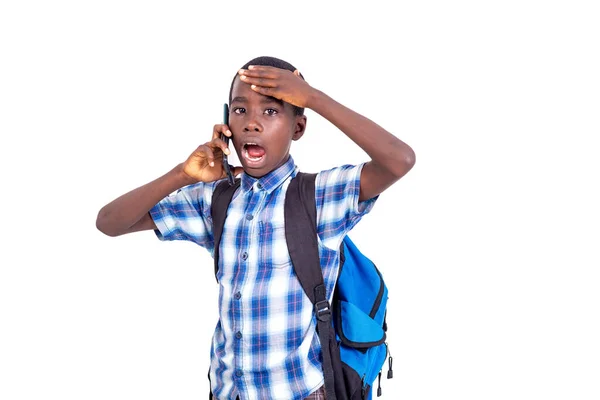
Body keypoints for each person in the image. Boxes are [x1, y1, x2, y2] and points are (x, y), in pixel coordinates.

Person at [96, 56, 415, 400]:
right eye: (240, 110)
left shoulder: (318, 198)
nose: (251, 123)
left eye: (271, 111)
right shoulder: (214, 200)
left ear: (298, 128)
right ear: (225, 122)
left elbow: (400, 160)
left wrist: (313, 97)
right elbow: (110, 222)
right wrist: (182, 174)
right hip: (227, 392)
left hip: (297, 392)